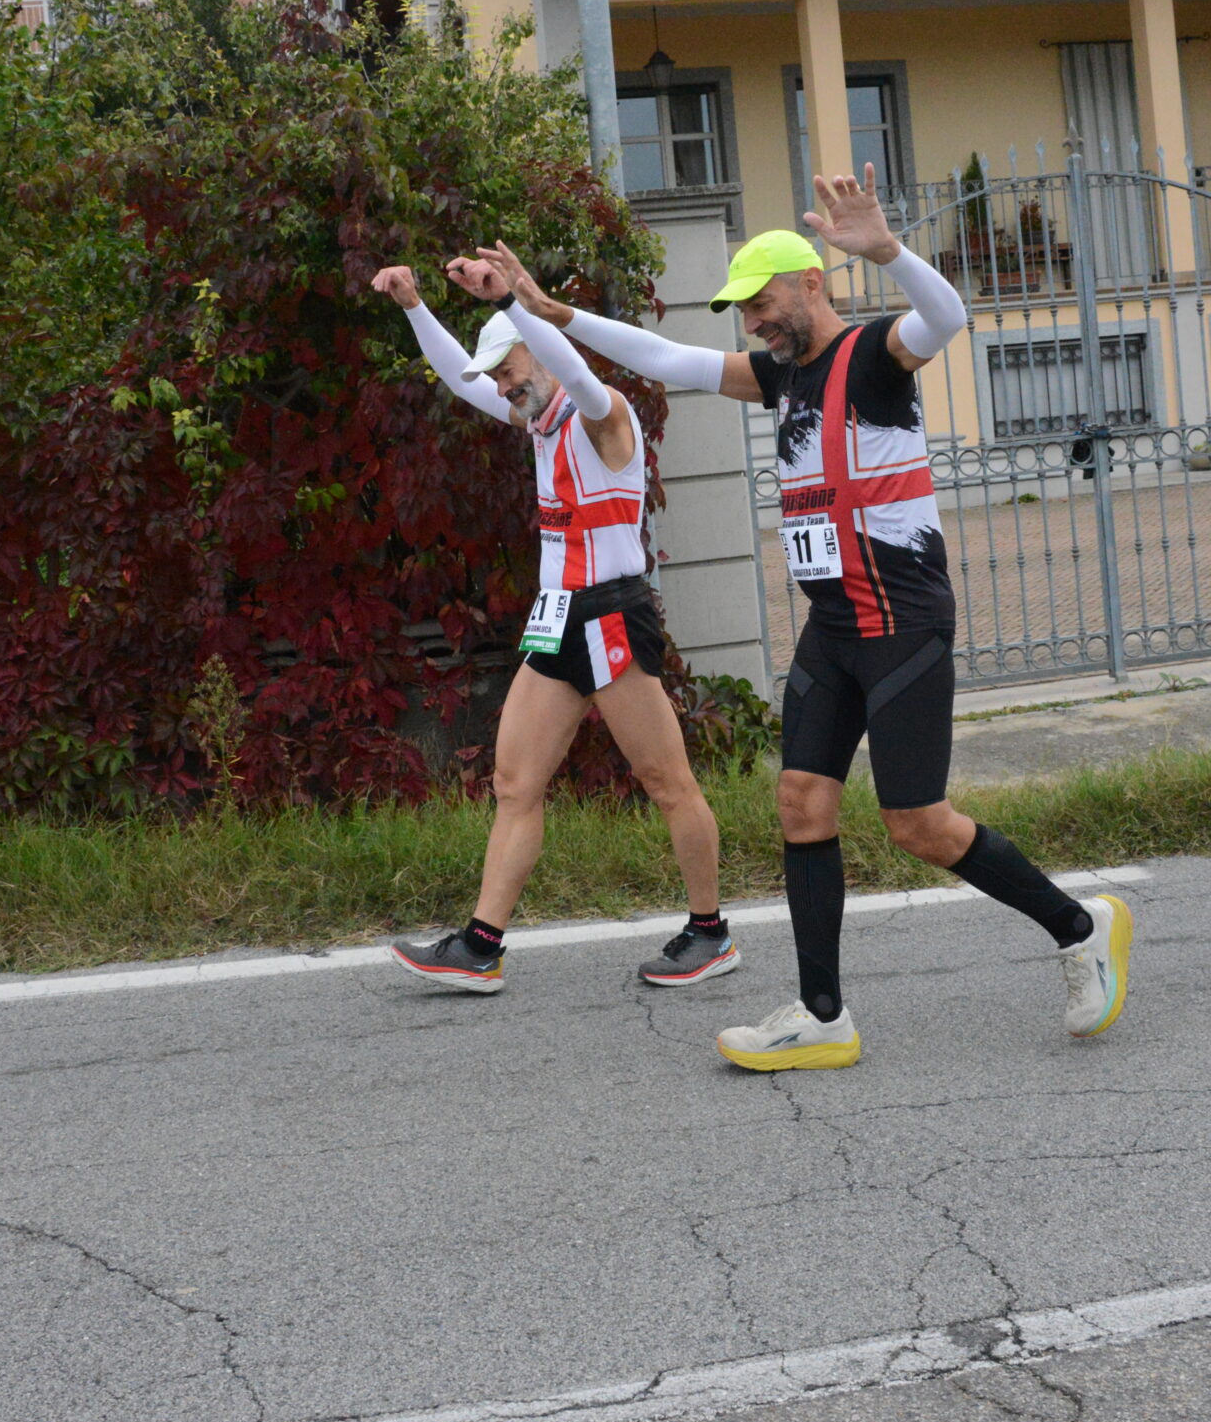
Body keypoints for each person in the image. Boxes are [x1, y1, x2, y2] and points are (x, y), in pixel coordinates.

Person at [487, 171, 1131, 1071]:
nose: (752, 321)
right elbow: (665, 359)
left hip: (903, 619)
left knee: (918, 823)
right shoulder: (780, 377)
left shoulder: (875, 355)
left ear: (811, 283)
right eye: (744, 311)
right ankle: (823, 1012)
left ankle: (1078, 926)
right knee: (801, 803)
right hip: (832, 625)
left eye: (762, 303)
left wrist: (889, 250)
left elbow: (946, 319)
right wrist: (553, 315)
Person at [372, 255, 736, 994]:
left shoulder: (606, 416)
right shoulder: (536, 420)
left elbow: (577, 376)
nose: (504, 387)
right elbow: (460, 379)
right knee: (514, 782)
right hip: (559, 618)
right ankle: (481, 946)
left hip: (612, 613)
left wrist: (516, 300)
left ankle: (710, 932)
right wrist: (414, 307)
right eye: (501, 378)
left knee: (667, 781)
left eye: (510, 369)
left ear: (539, 350)